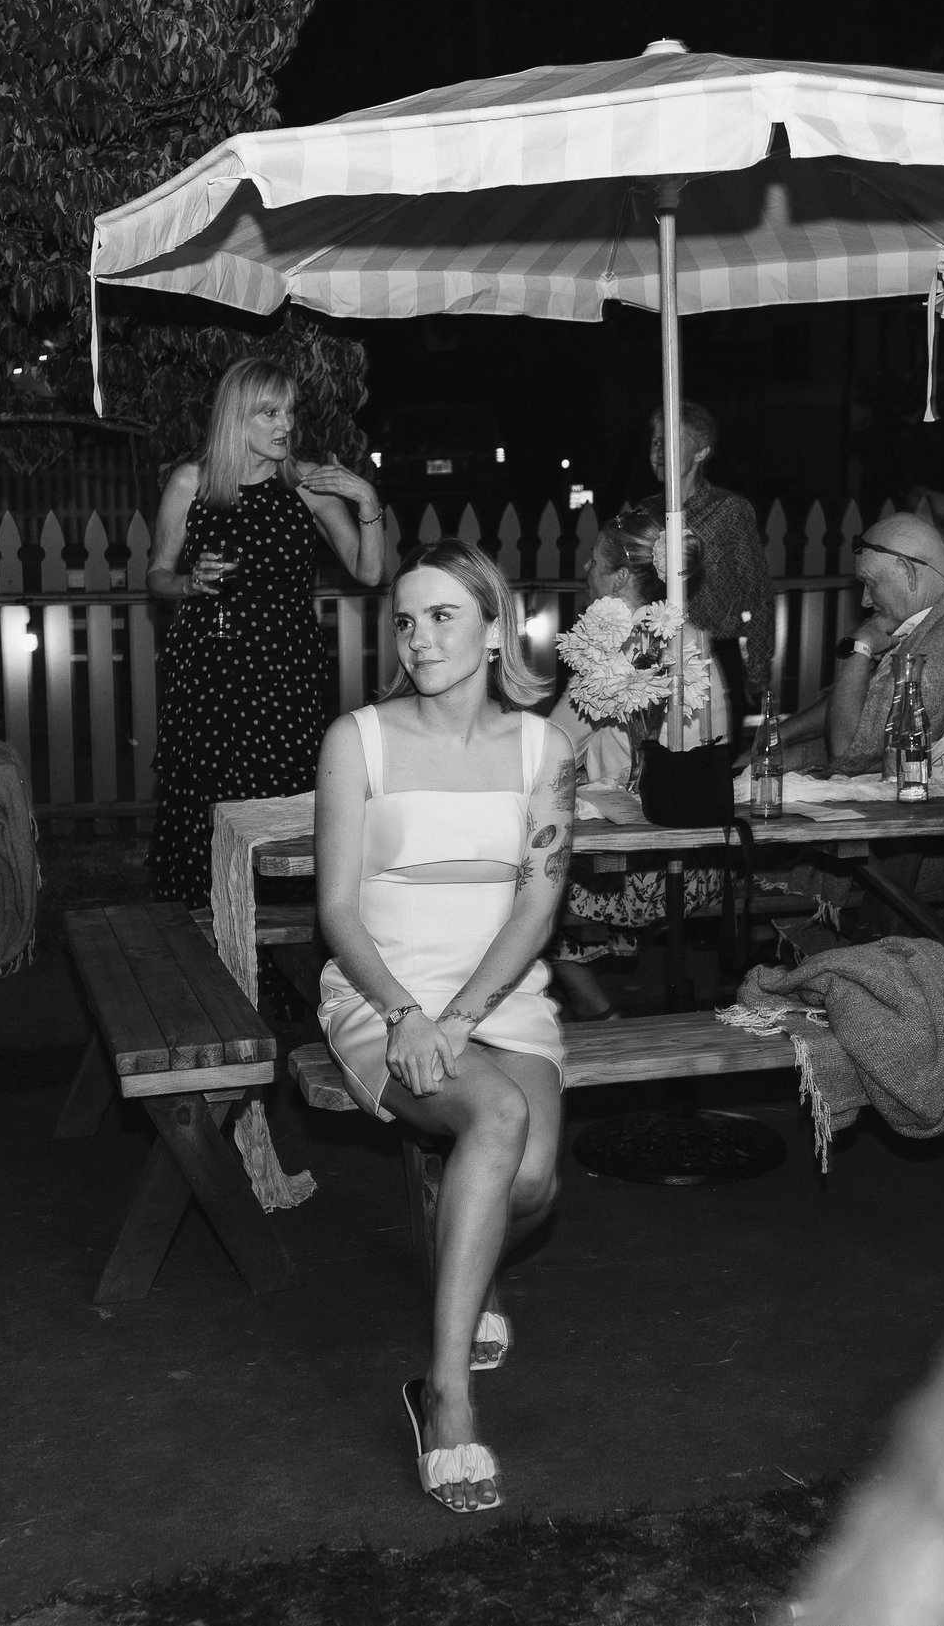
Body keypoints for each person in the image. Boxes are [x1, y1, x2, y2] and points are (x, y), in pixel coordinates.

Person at [313, 538, 574, 1515]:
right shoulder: (359, 740)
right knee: (497, 1120)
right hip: (383, 991)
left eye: (442, 616)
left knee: (534, 1183)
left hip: (499, 995)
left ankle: (469, 1234)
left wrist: (462, 1017)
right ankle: (445, 1395)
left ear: (495, 630)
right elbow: (336, 909)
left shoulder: (545, 750)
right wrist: (405, 1014)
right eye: (405, 620)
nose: (418, 638)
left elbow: (537, 907)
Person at [147, 357, 388, 904]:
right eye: (270, 413)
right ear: (237, 416)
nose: (286, 424)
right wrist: (187, 583)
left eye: (290, 412)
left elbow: (370, 570)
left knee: (284, 801)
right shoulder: (192, 482)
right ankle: (205, 927)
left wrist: (367, 500)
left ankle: (285, 931)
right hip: (209, 669)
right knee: (210, 801)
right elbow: (156, 573)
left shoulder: (306, 484)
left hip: (286, 673)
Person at [547, 505, 724, 1020]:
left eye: (595, 560)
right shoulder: (692, 636)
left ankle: (599, 1015)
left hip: (648, 867)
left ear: (622, 576)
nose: (586, 568)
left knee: (520, 889)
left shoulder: (620, 651)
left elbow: (551, 747)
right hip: (705, 859)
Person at [760, 511, 944, 774]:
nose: (865, 600)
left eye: (869, 583)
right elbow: (864, 701)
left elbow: (845, 751)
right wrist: (779, 735)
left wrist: (858, 647)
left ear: (908, 572)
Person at [633, 398, 770, 728]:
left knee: (711, 750)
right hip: (654, 655)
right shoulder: (643, 513)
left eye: (671, 441)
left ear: (701, 452)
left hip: (713, 659)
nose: (659, 451)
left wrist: (757, 671)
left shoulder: (729, 510)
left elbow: (756, 594)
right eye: (656, 442)